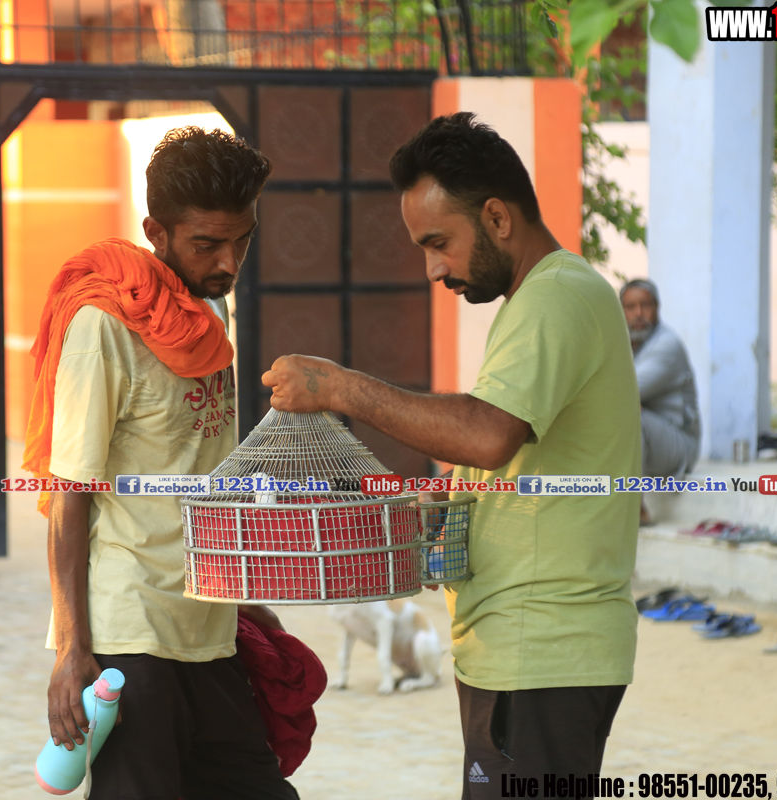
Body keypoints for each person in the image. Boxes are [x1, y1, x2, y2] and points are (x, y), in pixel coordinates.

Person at [262, 112, 640, 793]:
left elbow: (488, 433)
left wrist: (339, 387)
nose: (433, 268)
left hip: (541, 652)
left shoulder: (555, 296)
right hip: (525, 653)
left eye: (439, 243)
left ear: (497, 217)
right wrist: (451, 496)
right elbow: (506, 445)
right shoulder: (538, 299)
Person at [23, 127, 300, 799]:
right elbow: (70, 494)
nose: (229, 262)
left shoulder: (206, 318)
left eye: (242, 240)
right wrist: (71, 649)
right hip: (129, 638)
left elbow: (201, 474)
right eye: (207, 244)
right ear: (157, 232)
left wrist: (241, 596)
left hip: (208, 623)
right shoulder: (103, 326)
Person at [619, 278, 700, 525]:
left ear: (657, 308)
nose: (638, 313)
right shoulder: (623, 342)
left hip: (679, 445)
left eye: (646, 305)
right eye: (630, 307)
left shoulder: (667, 345)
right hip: (650, 442)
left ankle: (635, 510)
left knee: (627, 412)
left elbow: (623, 392)